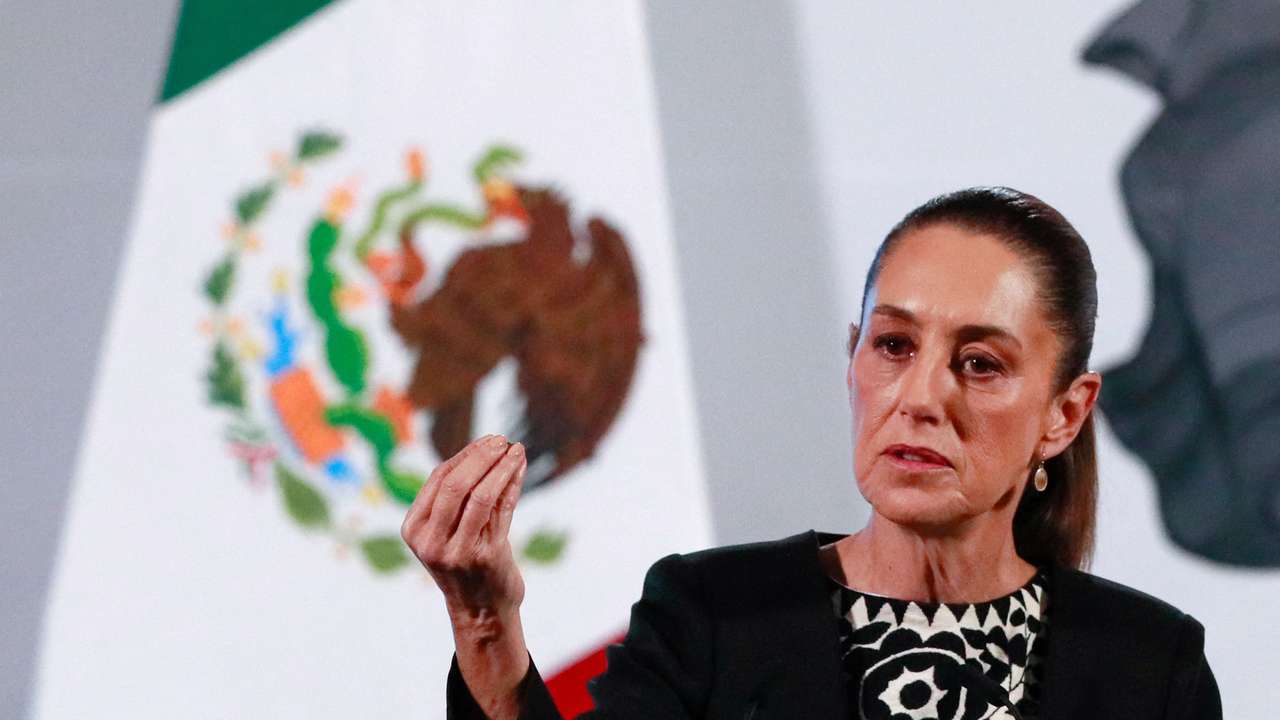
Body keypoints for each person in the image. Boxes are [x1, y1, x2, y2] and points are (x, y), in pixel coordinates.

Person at [401, 187, 1222, 719]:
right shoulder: (712, 617)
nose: (922, 396)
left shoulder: (1150, 671)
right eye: (894, 345)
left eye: (980, 364)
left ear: (1064, 415)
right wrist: (483, 621)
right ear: (853, 361)